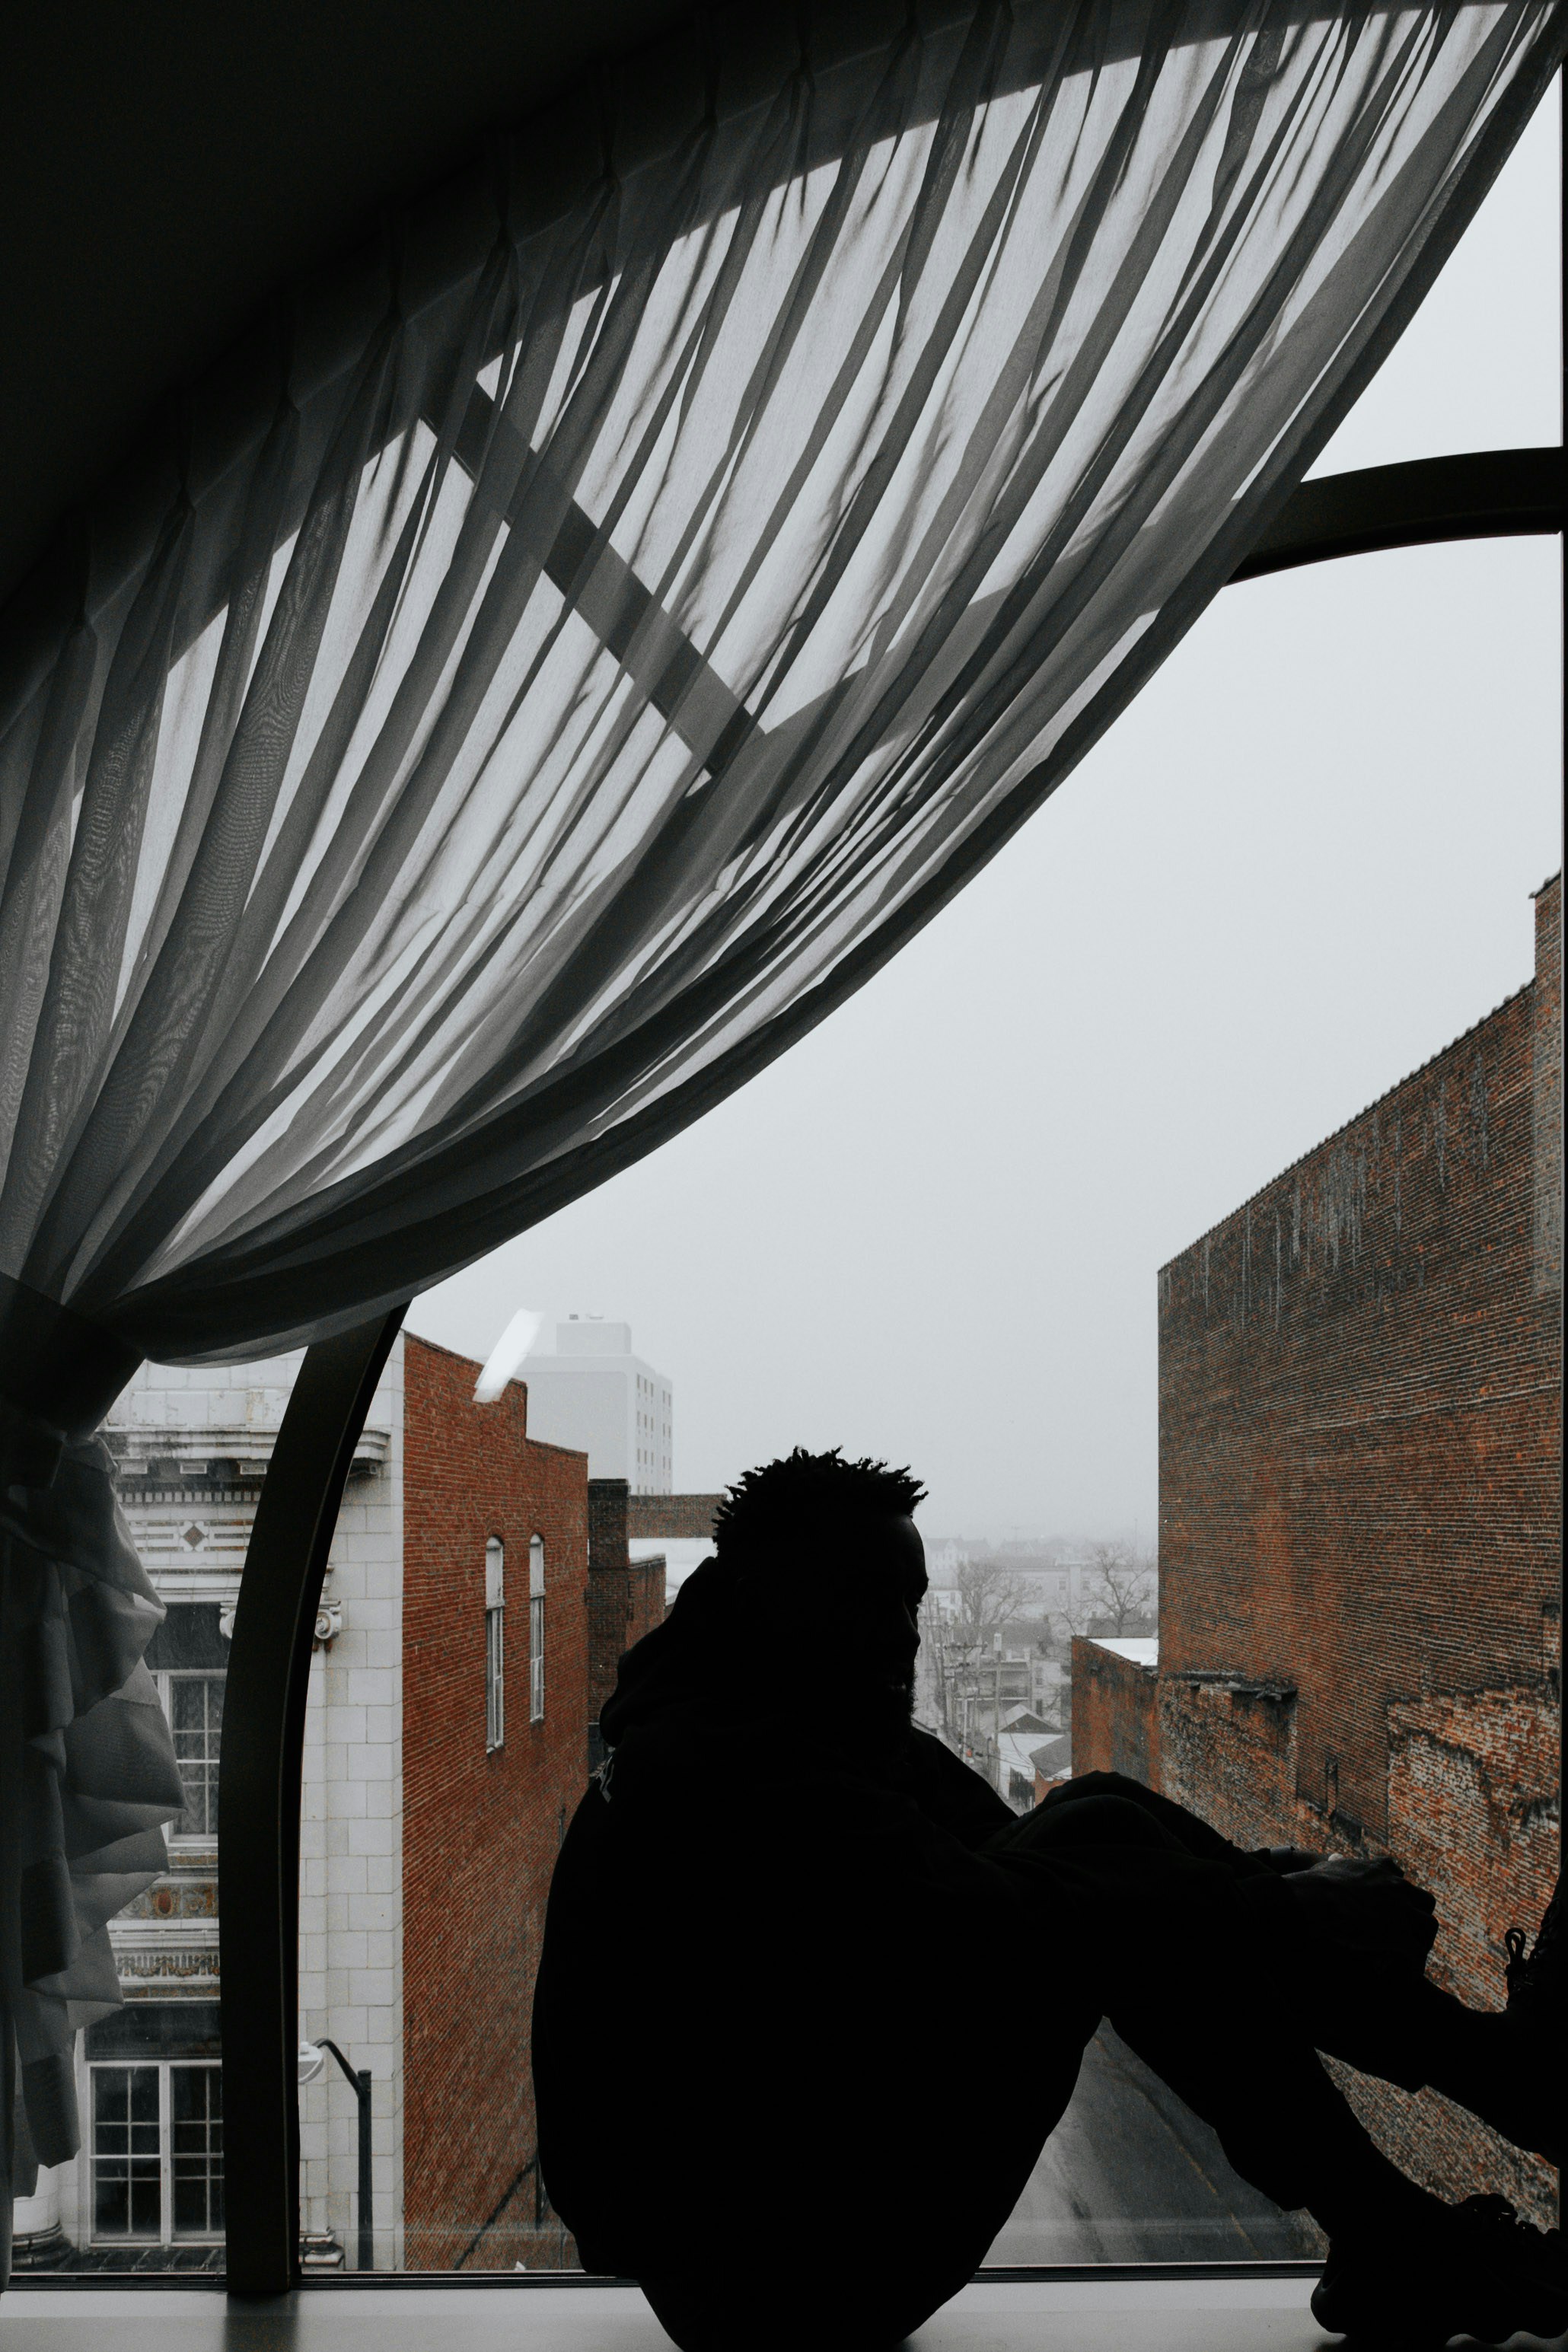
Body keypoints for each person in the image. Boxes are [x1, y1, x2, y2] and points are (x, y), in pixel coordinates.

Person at [532, 1448, 1564, 2349]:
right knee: (1106, 1872)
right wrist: (1289, 1910)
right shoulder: (719, 1772)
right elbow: (1003, 1923)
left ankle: (1429, 2188)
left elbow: (1022, 1856)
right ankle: (1464, 2142)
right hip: (775, 2284)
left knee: (1099, 1815)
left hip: (795, 2225)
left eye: (912, 1601)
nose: (903, 1635)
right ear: (768, 1598)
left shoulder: (784, 1716)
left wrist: (1263, 1885)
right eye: (865, 1598)